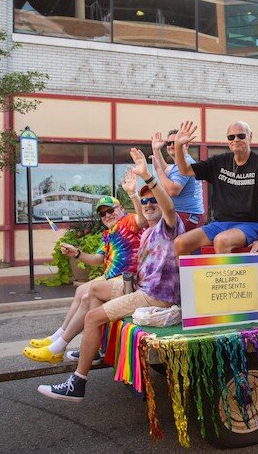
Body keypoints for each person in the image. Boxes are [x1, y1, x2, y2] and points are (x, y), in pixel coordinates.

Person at [38, 147, 185, 401]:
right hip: (140, 288)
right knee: (92, 291)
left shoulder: (168, 226)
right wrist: (76, 254)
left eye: (153, 201)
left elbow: (167, 207)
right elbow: (100, 259)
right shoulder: (146, 232)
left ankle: (78, 383)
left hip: (155, 296)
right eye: (145, 200)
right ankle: (92, 348)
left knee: (93, 316)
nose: (150, 204)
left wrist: (147, 178)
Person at [23, 173, 146, 364]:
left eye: (110, 210)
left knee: (89, 295)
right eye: (102, 213)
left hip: (127, 280)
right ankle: (57, 337)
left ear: (121, 208)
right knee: (81, 289)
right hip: (111, 277)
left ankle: (58, 346)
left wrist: (133, 194)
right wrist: (77, 253)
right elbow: (98, 259)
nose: (107, 215)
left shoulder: (128, 222)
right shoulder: (108, 234)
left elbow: (142, 219)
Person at [172, 120, 258, 255]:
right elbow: (185, 170)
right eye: (231, 137)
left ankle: (224, 277)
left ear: (250, 137)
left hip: (250, 224)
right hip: (220, 224)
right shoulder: (219, 161)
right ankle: (189, 277)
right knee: (180, 243)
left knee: (222, 241)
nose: (236, 140)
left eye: (241, 136)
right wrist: (178, 146)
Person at [150, 129, 204, 231]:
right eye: (168, 143)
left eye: (175, 143)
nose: (171, 146)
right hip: (187, 216)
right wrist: (156, 150)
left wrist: (158, 170)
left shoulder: (184, 163)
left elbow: (173, 190)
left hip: (186, 216)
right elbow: (166, 170)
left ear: (186, 145)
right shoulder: (180, 164)